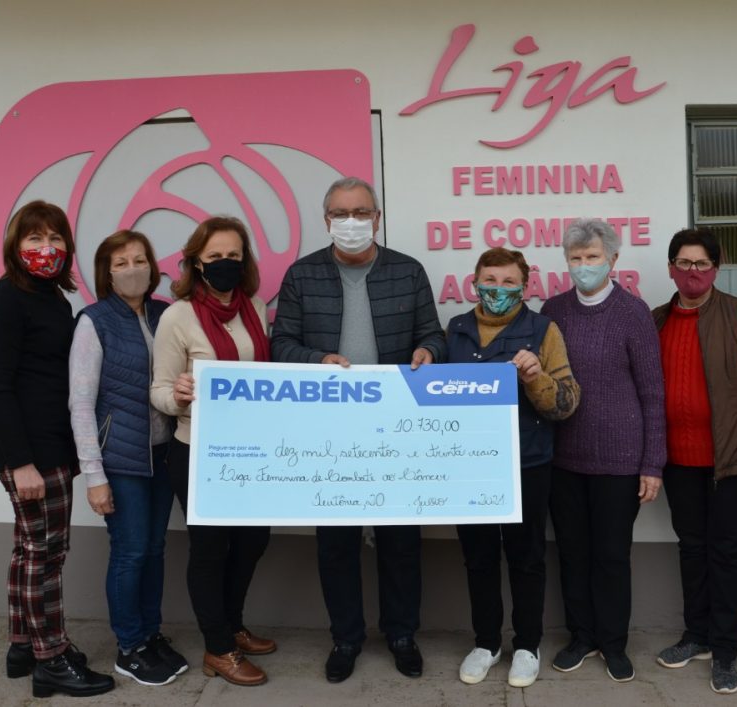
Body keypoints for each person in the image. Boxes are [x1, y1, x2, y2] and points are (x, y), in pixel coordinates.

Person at [271, 176, 447, 683]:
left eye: (361, 212)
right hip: (331, 431)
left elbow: (433, 334)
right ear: (326, 220)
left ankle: (401, 634)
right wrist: (317, 360)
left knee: (400, 539)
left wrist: (428, 351)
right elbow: (281, 344)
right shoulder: (301, 275)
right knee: (337, 542)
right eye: (341, 214)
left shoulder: (408, 271)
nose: (352, 222)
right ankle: (345, 638)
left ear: (378, 218)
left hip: (395, 430)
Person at [0, 200, 115, 698]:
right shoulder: (2, 302)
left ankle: (24, 646)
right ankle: (51, 658)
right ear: (15, 245)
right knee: (47, 555)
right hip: (29, 453)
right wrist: (22, 463)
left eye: (55, 238)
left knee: (29, 548)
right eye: (34, 238)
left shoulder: (52, 298)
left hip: (49, 446)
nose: (46, 247)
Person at [651, 228, 737, 695]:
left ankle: (725, 651)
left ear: (716, 268)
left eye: (701, 264)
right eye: (684, 263)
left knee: (727, 553)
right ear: (671, 268)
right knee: (692, 548)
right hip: (679, 462)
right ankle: (697, 635)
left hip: (733, 462)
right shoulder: (657, 320)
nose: (693, 272)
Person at [540, 218, 666, 683]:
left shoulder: (633, 313)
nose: (583, 265)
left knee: (611, 556)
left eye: (592, 257)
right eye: (575, 258)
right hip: (564, 459)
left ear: (613, 260)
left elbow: (653, 393)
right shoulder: (553, 310)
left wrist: (652, 464)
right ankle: (582, 637)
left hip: (619, 461)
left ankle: (613, 643)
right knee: (572, 553)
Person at [150, 216, 275, 686]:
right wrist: (179, 395)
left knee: (252, 542)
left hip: (253, 450)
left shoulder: (255, 307)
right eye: (215, 256)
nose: (226, 263)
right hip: (199, 452)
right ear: (196, 263)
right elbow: (159, 390)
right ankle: (218, 648)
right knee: (210, 550)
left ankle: (232, 625)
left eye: (234, 256)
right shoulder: (177, 316)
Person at [447, 248, 580, 688]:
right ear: (474, 282)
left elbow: (566, 403)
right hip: (470, 465)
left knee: (526, 558)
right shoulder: (456, 330)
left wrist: (535, 377)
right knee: (478, 557)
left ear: (525, 286)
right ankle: (486, 643)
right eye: (490, 280)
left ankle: (527, 645)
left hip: (527, 462)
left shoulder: (543, 330)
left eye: (508, 282)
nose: (498, 289)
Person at [68, 230, 187, 686]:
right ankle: (129, 645)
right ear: (107, 273)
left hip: (162, 453)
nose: (132, 269)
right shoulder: (94, 322)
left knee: (154, 549)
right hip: (119, 461)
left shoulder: (164, 314)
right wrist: (94, 475)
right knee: (130, 551)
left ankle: (150, 633)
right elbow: (81, 404)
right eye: (121, 263)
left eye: (140, 260)